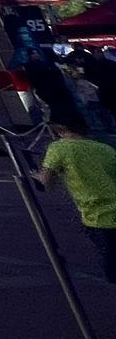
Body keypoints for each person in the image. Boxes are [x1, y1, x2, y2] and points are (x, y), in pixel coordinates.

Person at [36, 117, 116, 283]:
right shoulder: (106, 149)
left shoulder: (59, 148)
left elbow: (44, 180)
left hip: (96, 214)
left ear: (57, 129)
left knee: (110, 259)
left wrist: (36, 177)